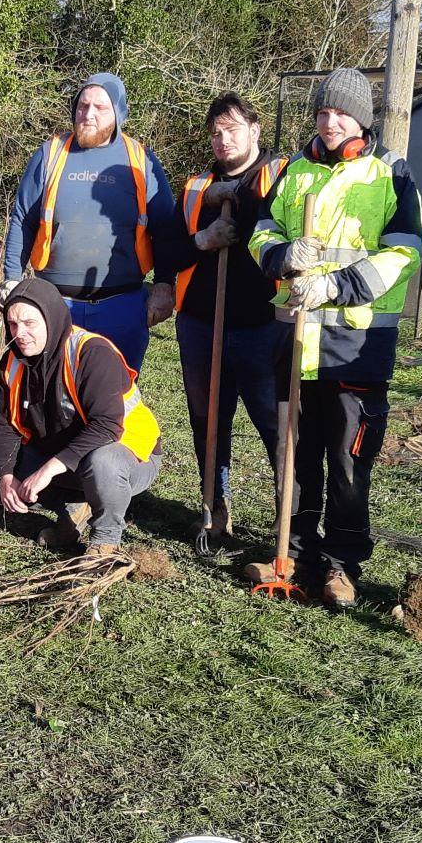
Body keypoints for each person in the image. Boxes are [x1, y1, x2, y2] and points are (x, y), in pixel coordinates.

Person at [245, 67, 422, 608]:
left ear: (361, 119)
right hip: (294, 342)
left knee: (348, 459)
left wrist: (337, 286)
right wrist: (281, 255)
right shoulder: (294, 170)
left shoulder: (389, 173)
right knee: (294, 453)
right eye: (322, 112)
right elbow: (261, 231)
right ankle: (292, 551)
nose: (328, 122)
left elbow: (405, 251)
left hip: (356, 346)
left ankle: (342, 565)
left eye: (339, 113)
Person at [149, 92, 292, 542]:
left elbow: (272, 214)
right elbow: (167, 251)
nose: (223, 139)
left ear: (254, 130)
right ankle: (216, 505)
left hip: (263, 325)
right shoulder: (194, 188)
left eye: (231, 129)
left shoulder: (280, 174)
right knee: (206, 419)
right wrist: (203, 240)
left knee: (275, 420)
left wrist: (235, 193)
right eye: (215, 132)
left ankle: (288, 512)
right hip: (200, 323)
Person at [1, 72, 178, 370]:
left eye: (100, 108)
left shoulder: (140, 160)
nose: (88, 114)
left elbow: (165, 229)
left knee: (114, 398)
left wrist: (163, 286)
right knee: (53, 397)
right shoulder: (50, 154)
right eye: (83, 106)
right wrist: (11, 278)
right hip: (54, 304)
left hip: (122, 305)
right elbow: (23, 218)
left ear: (118, 113)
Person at [0, 275, 163, 555]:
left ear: (52, 318)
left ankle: (105, 540)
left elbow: (107, 427)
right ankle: (71, 511)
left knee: (102, 461)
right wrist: (6, 476)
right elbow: (3, 423)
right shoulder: (13, 360)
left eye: (30, 323)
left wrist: (48, 470)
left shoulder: (91, 353)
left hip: (128, 455)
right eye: (13, 324)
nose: (20, 333)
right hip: (68, 454)